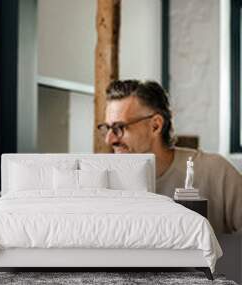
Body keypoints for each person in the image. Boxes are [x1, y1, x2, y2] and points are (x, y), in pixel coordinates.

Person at [98, 79, 242, 234]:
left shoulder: (216, 172)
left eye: (119, 128)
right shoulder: (106, 183)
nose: (109, 139)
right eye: (107, 128)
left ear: (155, 125)